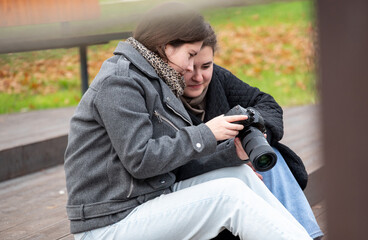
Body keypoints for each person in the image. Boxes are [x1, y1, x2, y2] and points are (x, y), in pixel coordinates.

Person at [64, 2, 312, 240]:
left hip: (149, 198)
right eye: (190, 54)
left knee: (241, 177)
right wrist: (207, 132)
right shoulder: (120, 82)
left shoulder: (158, 78)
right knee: (230, 195)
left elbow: (174, 158)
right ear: (165, 46)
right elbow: (140, 160)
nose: (193, 67)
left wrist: (232, 154)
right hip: (110, 222)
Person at [179, 26, 324, 240]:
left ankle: (308, 235)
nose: (198, 77)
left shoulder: (218, 77)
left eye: (206, 66)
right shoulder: (165, 96)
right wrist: (231, 155)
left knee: (264, 151)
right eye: (189, 68)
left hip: (238, 170)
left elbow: (267, 104)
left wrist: (252, 131)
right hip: (194, 182)